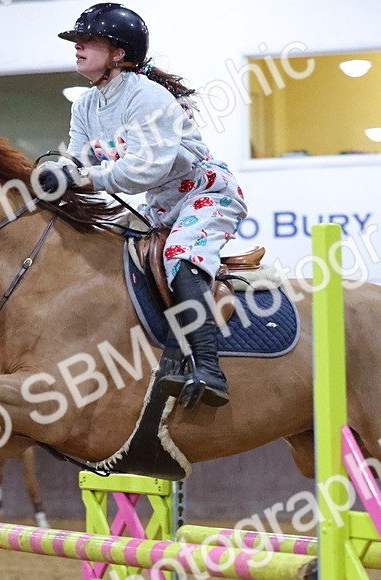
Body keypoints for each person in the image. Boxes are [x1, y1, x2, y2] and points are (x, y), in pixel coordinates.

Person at [44, 3, 247, 408]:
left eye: (89, 40)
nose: (78, 47)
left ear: (118, 53)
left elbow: (143, 171)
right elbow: (80, 159)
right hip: (160, 203)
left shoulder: (147, 97)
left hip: (205, 193)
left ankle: (208, 369)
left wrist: (81, 178)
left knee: (179, 254)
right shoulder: (84, 105)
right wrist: (54, 174)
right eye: (77, 41)